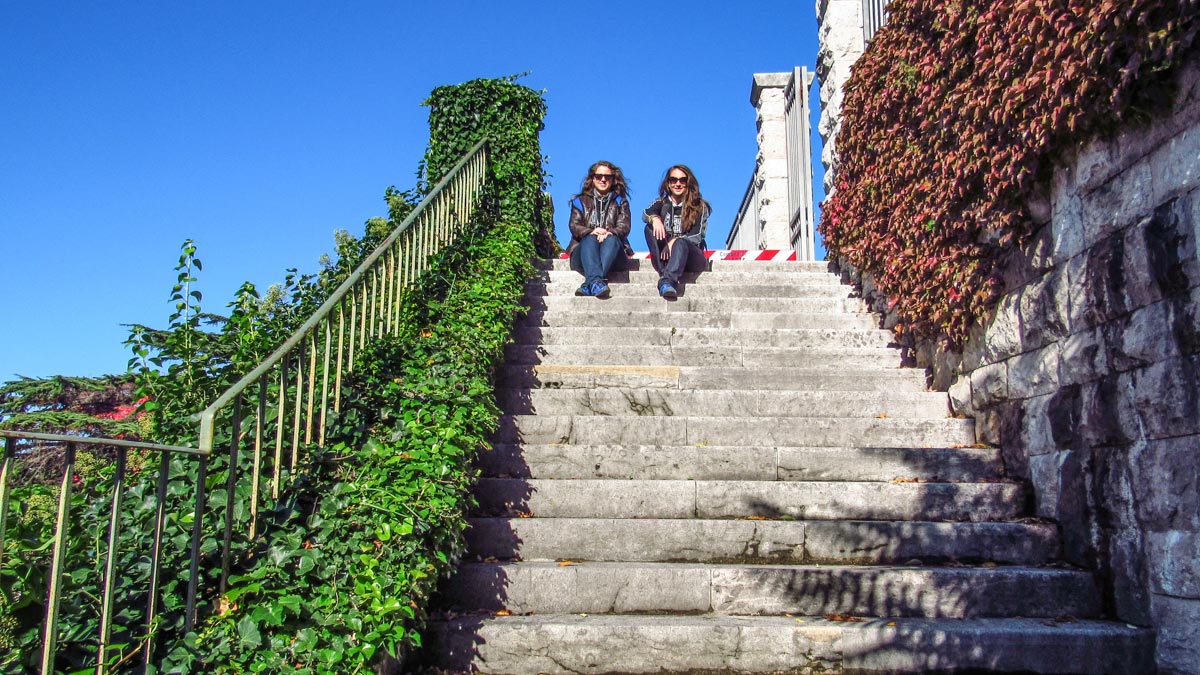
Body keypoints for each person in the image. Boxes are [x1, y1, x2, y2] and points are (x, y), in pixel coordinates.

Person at [565, 161, 632, 298]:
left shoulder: (621, 202)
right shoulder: (579, 201)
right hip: (583, 253)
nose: (603, 179)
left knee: (612, 240)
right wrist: (591, 232)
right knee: (590, 238)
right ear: (592, 178)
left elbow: (624, 226)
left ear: (613, 180)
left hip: (614, 254)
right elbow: (574, 225)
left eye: (607, 177)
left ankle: (590, 283)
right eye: (599, 176)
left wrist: (609, 232)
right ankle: (596, 282)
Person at [643, 164, 710, 298]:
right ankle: (664, 275)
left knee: (681, 242)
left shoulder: (699, 206)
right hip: (666, 256)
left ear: (688, 182)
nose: (678, 184)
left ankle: (667, 280)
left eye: (682, 180)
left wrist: (674, 241)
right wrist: (655, 219)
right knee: (649, 227)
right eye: (673, 180)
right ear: (668, 183)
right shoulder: (661, 202)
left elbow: (697, 236)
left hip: (692, 257)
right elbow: (646, 213)